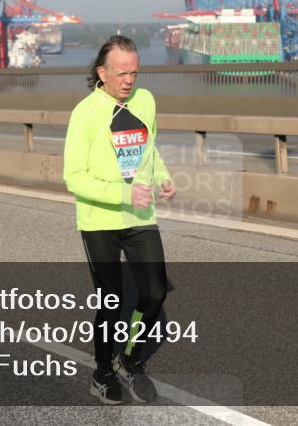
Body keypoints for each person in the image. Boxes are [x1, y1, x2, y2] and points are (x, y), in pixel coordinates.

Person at [63, 36, 176, 404]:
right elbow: (73, 176)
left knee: (155, 292)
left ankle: (128, 360)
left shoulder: (145, 101)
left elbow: (149, 147)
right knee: (111, 301)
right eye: (122, 73)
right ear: (102, 73)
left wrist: (161, 177)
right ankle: (102, 370)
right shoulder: (86, 112)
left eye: (134, 72)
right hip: (99, 221)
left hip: (140, 216)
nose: (129, 80)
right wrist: (124, 193)